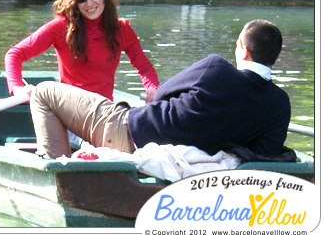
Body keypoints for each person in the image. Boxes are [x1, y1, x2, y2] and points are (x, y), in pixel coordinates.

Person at [29, 19, 291, 160]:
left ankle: (59, 172)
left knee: (44, 93)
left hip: (126, 130)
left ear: (243, 51)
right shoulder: (279, 105)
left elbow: (162, 93)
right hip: (180, 155)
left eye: (237, 44)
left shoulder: (216, 68)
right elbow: (264, 154)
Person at [4, 0, 159, 102]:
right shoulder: (60, 27)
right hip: (70, 111)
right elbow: (14, 54)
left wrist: (153, 89)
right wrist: (17, 88)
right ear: (73, 2)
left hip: (103, 110)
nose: (90, 3)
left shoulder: (121, 29)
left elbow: (144, 67)